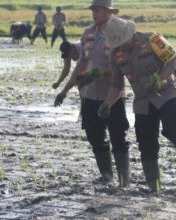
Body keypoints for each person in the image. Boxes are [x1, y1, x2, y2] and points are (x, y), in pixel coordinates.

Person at [99, 17, 176, 192]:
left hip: (167, 92)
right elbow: (116, 85)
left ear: (129, 34)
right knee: (146, 144)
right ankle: (154, 189)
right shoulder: (116, 55)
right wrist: (107, 103)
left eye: (122, 41)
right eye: (117, 43)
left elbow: (173, 60)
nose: (120, 45)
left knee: (172, 127)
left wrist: (160, 79)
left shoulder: (152, 39)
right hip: (143, 100)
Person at [54, 0, 131, 187]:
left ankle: (124, 180)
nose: (94, 13)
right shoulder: (88, 33)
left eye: (97, 10)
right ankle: (106, 175)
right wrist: (64, 90)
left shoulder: (117, 32)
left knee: (118, 136)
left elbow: (123, 65)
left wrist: (100, 73)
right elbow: (81, 64)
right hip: (90, 94)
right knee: (94, 135)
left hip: (112, 94)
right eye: (93, 10)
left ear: (108, 12)